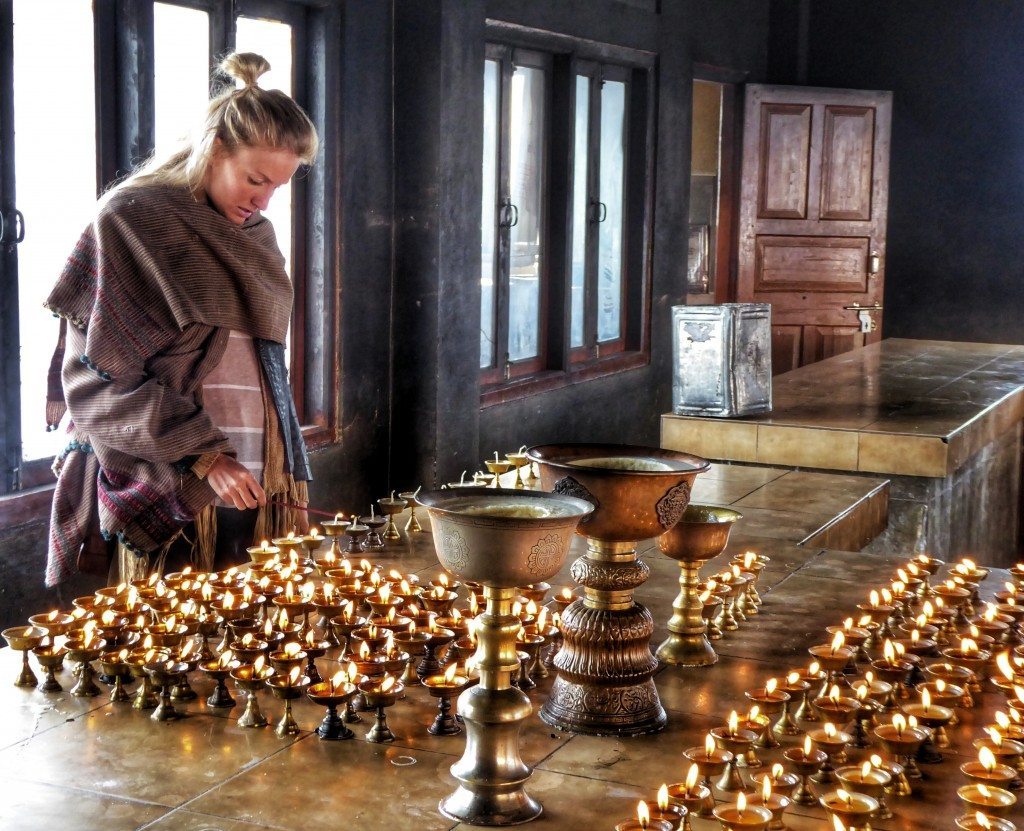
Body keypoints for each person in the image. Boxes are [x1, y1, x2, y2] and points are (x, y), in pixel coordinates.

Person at [43, 53, 317, 587]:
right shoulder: (131, 220)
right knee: (176, 657)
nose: (263, 201)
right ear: (215, 149)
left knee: (263, 651)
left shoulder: (255, 234)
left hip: (260, 480)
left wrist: (292, 478)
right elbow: (95, 381)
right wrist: (206, 457)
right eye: (255, 179)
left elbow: (269, 370)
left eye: (278, 188)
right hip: (177, 483)